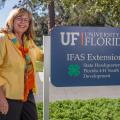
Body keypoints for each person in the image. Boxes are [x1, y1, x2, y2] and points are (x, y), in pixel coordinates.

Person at [0, 7, 43, 120]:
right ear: (12, 20)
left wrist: (58, 44)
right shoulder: (3, 39)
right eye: (19, 18)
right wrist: (1, 98)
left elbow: (41, 56)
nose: (23, 22)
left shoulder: (28, 41)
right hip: (8, 95)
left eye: (26, 20)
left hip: (27, 93)